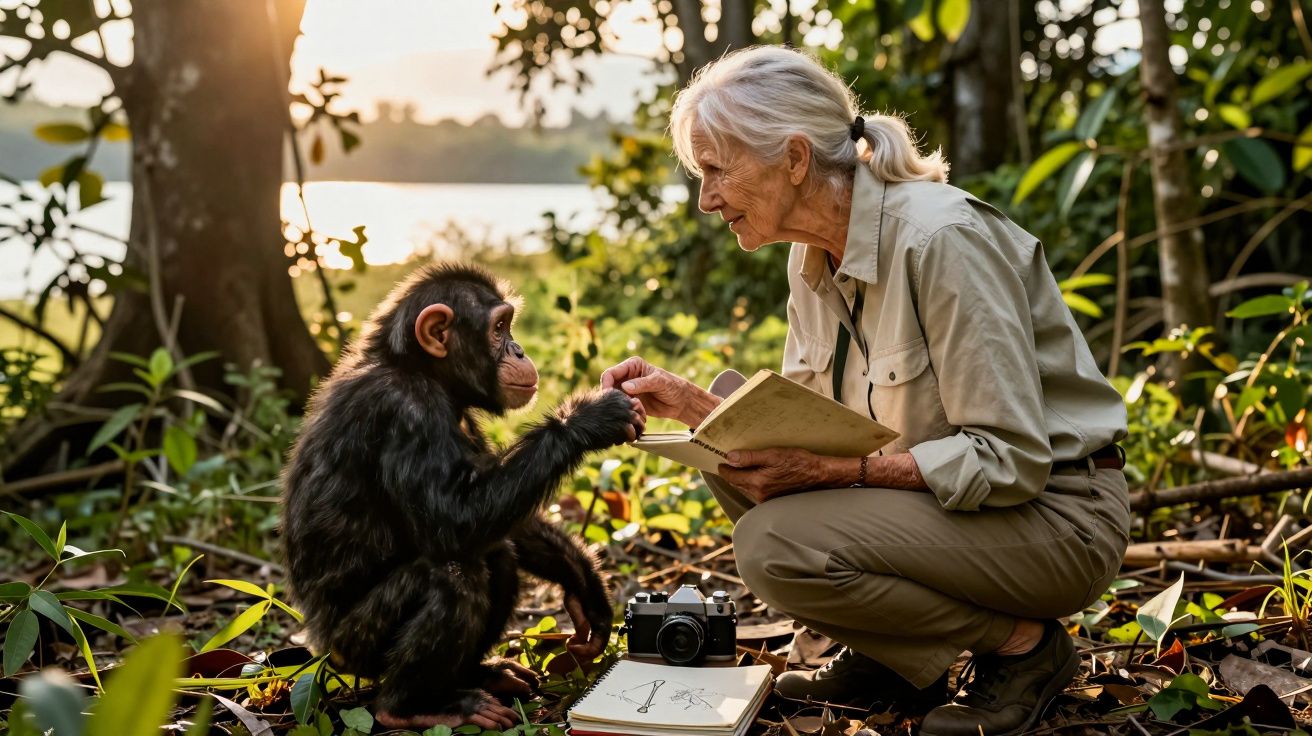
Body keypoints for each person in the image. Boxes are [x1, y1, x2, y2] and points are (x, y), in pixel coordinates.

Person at [600, 46, 1131, 736]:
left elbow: (1010, 458)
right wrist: (693, 404)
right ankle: (897, 657)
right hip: (958, 512)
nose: (706, 199)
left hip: (1058, 518)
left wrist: (842, 472)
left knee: (774, 545)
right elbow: (808, 428)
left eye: (715, 170)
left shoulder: (941, 239)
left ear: (793, 159)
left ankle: (1024, 648)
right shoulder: (810, 255)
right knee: (739, 460)